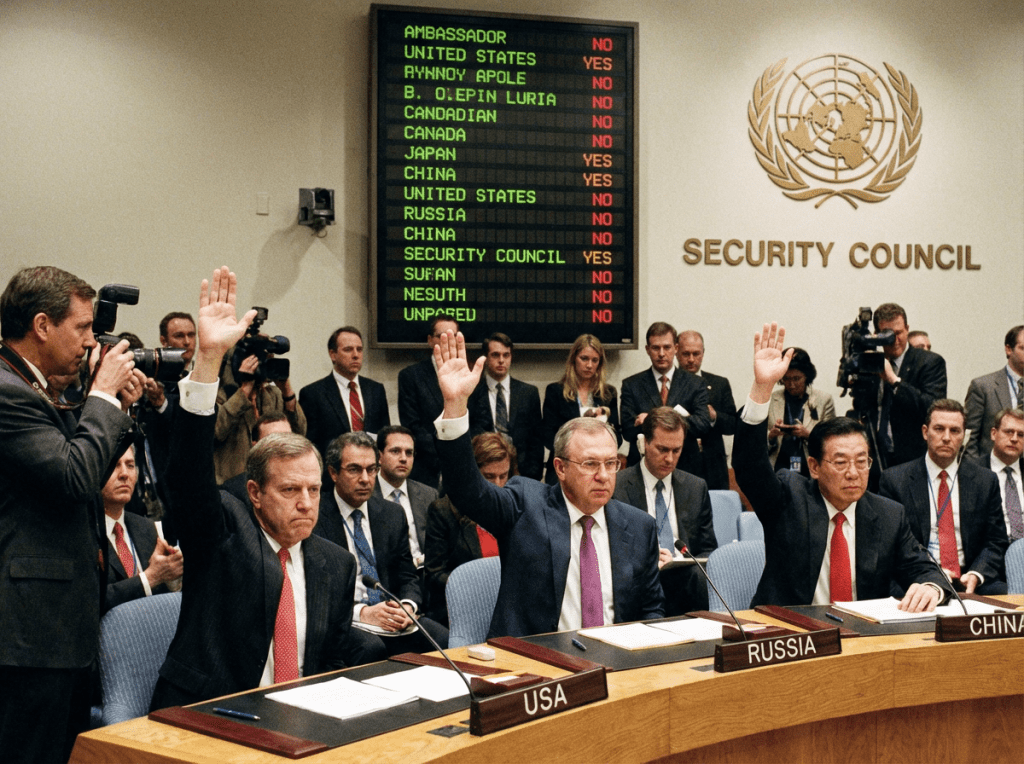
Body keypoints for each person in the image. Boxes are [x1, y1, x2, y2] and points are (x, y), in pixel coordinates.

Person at [150, 267, 357, 711]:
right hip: (211, 716)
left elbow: (331, 664)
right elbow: (188, 478)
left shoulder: (336, 565)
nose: (306, 504)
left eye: (315, 490)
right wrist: (207, 362)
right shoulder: (223, 532)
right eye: (289, 491)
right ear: (255, 492)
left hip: (299, 724)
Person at [432, 330, 664, 638]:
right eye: (590, 464)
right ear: (560, 468)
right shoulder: (525, 506)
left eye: (611, 464)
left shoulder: (639, 527)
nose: (604, 476)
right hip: (539, 663)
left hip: (616, 666)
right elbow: (467, 490)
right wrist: (456, 406)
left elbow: (652, 610)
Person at [0, 266, 141, 763]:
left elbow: (86, 458)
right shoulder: (6, 390)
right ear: (42, 325)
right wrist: (101, 395)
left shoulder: (35, 385)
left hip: (58, 631)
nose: (90, 342)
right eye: (82, 328)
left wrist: (116, 409)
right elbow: (73, 477)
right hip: (27, 638)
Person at [732, 322, 950, 611]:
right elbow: (748, 465)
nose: (853, 472)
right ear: (814, 466)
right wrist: (762, 389)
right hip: (792, 633)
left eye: (862, 462)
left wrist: (931, 587)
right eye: (840, 462)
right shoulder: (788, 498)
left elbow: (927, 570)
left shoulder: (888, 515)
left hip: (861, 638)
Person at [313, 432, 448, 659]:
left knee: (442, 638)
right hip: (346, 619)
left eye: (371, 469)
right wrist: (362, 613)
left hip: (390, 615)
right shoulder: (316, 518)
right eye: (355, 469)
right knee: (370, 648)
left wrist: (407, 606)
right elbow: (318, 590)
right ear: (333, 472)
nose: (366, 478)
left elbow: (408, 576)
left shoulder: (391, 514)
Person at [879, 400, 1009, 595]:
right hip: (919, 580)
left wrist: (976, 574)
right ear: (925, 432)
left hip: (970, 578)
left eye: (955, 431)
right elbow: (891, 548)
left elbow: (996, 542)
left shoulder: (985, 481)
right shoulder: (895, 481)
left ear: (964, 436)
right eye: (939, 429)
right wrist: (931, 576)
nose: (946, 437)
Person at [613, 408, 717, 615]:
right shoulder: (618, 487)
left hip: (685, 581)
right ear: (644, 444)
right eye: (662, 449)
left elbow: (708, 550)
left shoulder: (696, 487)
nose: (669, 459)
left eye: (676, 451)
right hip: (640, 581)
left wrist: (682, 562)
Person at [423, 432, 514, 625]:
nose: (498, 485)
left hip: (507, 607)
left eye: (503, 476)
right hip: (461, 611)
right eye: (489, 477)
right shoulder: (443, 511)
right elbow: (435, 575)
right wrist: (479, 586)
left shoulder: (513, 507)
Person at [620, 322, 710, 477]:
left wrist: (651, 419)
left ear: (676, 348)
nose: (661, 353)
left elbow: (702, 424)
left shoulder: (695, 383)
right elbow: (628, 431)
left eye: (667, 347)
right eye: (656, 348)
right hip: (642, 469)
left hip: (686, 468)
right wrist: (684, 418)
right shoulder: (631, 384)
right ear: (648, 350)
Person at [102, 446, 183, 611]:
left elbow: (161, 595)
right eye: (114, 465)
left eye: (130, 465)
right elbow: (94, 600)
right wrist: (149, 578)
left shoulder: (147, 528)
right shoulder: (84, 534)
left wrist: (171, 577)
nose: (124, 474)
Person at [213, 342, 306, 484]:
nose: (263, 367)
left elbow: (299, 434)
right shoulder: (220, 396)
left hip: (270, 480)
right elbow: (217, 431)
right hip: (232, 484)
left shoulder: (273, 395)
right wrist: (244, 389)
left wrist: (286, 390)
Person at [868, 303, 947, 469]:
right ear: (877, 335)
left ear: (907, 329)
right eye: (888, 335)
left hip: (913, 458)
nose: (895, 340)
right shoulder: (872, 364)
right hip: (876, 457)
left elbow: (932, 408)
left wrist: (894, 381)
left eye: (899, 333)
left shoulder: (929, 362)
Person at [299, 326, 390, 460]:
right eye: (348, 349)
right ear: (333, 354)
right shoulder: (313, 393)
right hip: (332, 472)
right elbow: (311, 444)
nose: (356, 355)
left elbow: (384, 436)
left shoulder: (376, 390)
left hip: (370, 470)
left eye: (359, 349)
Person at [541, 333, 621, 485]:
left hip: (599, 467)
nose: (589, 365)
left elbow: (617, 437)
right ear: (573, 359)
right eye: (584, 358)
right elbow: (547, 436)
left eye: (594, 360)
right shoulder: (556, 391)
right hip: (566, 467)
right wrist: (576, 454)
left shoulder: (608, 394)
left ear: (600, 363)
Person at [469, 332, 544, 480]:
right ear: (485, 358)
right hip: (483, 474)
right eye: (495, 355)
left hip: (522, 474)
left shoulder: (528, 393)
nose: (501, 360)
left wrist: (532, 478)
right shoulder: (472, 392)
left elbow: (536, 441)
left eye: (506, 355)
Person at [398, 314, 458, 488]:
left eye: (452, 336)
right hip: (425, 469)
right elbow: (412, 425)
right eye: (442, 336)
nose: (448, 341)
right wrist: (444, 450)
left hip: (463, 466)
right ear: (430, 340)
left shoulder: (469, 374)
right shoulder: (410, 376)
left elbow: (478, 422)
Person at [677, 330, 738, 491]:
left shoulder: (719, 384)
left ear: (703, 353)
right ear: (676, 352)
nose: (691, 359)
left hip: (713, 466)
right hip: (680, 464)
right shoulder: (668, 386)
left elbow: (733, 424)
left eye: (696, 354)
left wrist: (714, 416)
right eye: (686, 354)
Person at [373, 425, 438, 568]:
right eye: (395, 451)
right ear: (379, 457)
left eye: (409, 453)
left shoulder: (429, 495)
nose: (403, 459)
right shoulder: (367, 495)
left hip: (426, 574)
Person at [766, 347, 836, 476]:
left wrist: (808, 435)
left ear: (807, 376)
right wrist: (771, 436)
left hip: (812, 471)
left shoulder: (824, 400)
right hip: (778, 469)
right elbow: (758, 445)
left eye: (796, 378)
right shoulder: (771, 400)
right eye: (786, 379)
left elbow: (832, 442)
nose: (791, 384)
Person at [964, 325, 1024, 461]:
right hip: (991, 471)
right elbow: (969, 438)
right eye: (1023, 348)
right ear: (1009, 349)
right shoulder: (983, 387)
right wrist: (977, 473)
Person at [219, 412, 294, 504]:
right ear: (255, 446)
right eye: (272, 440)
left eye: (288, 438)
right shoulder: (234, 493)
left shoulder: (310, 482)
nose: (282, 446)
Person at [986, 408, 1024, 542]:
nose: (1014, 439)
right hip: (992, 551)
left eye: (1021, 435)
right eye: (1009, 432)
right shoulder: (973, 472)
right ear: (993, 433)